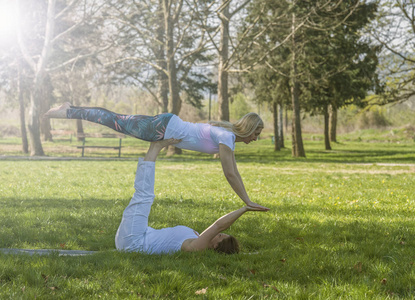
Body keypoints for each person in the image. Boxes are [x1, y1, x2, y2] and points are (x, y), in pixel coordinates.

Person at [44, 103, 268, 210]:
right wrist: (247, 201)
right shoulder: (226, 138)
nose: (256, 139)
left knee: (116, 118)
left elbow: (234, 170)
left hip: (166, 124)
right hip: (162, 129)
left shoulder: (226, 136)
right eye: (256, 134)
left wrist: (246, 199)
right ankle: (66, 111)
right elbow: (230, 173)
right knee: (113, 120)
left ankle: (69, 109)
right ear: (248, 129)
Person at [115, 138, 268, 254]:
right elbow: (216, 227)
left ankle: (155, 146)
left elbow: (218, 225)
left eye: (220, 235)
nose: (217, 233)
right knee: (144, 196)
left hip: (133, 242)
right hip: (139, 235)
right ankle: (155, 146)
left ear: (215, 246)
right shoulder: (194, 236)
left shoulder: (195, 247)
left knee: (144, 195)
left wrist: (245, 208)